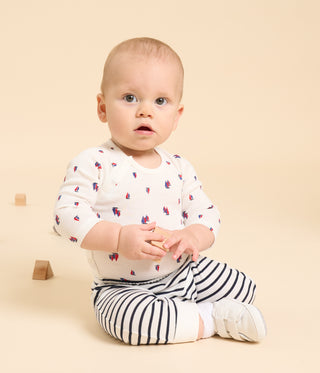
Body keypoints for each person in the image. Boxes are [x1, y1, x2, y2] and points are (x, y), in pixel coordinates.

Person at [54, 37, 266, 345]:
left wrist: (194, 236)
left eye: (160, 102)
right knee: (130, 322)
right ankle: (211, 318)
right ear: (102, 108)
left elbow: (206, 213)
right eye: (129, 97)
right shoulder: (94, 162)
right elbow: (66, 216)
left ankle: (184, 310)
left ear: (177, 116)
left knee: (244, 287)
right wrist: (116, 238)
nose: (145, 111)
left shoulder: (178, 167)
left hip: (182, 271)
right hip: (122, 287)